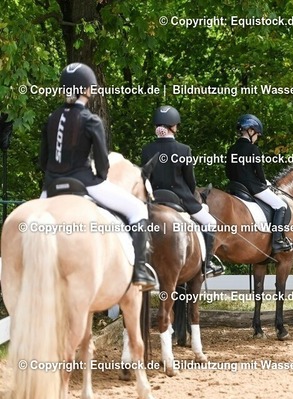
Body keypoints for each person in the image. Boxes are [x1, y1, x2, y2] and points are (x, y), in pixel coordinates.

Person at [39, 63, 157, 291]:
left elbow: (43, 161)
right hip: (84, 182)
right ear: (86, 90)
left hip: (50, 186)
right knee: (137, 209)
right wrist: (101, 176)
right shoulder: (91, 120)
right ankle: (140, 271)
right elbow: (102, 163)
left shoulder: (51, 118)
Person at [141, 105, 225, 276]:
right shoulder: (183, 150)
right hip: (180, 199)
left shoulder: (147, 149)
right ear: (173, 126)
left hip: (154, 199)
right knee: (210, 222)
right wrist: (192, 195)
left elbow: (145, 178)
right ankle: (207, 264)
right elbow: (190, 181)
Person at [225, 114, 292, 253]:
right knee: (281, 205)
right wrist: (264, 183)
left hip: (235, 187)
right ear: (250, 131)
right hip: (252, 187)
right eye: (257, 134)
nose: (256, 138)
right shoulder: (253, 149)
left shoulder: (231, 149)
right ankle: (277, 241)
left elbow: (228, 172)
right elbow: (259, 173)